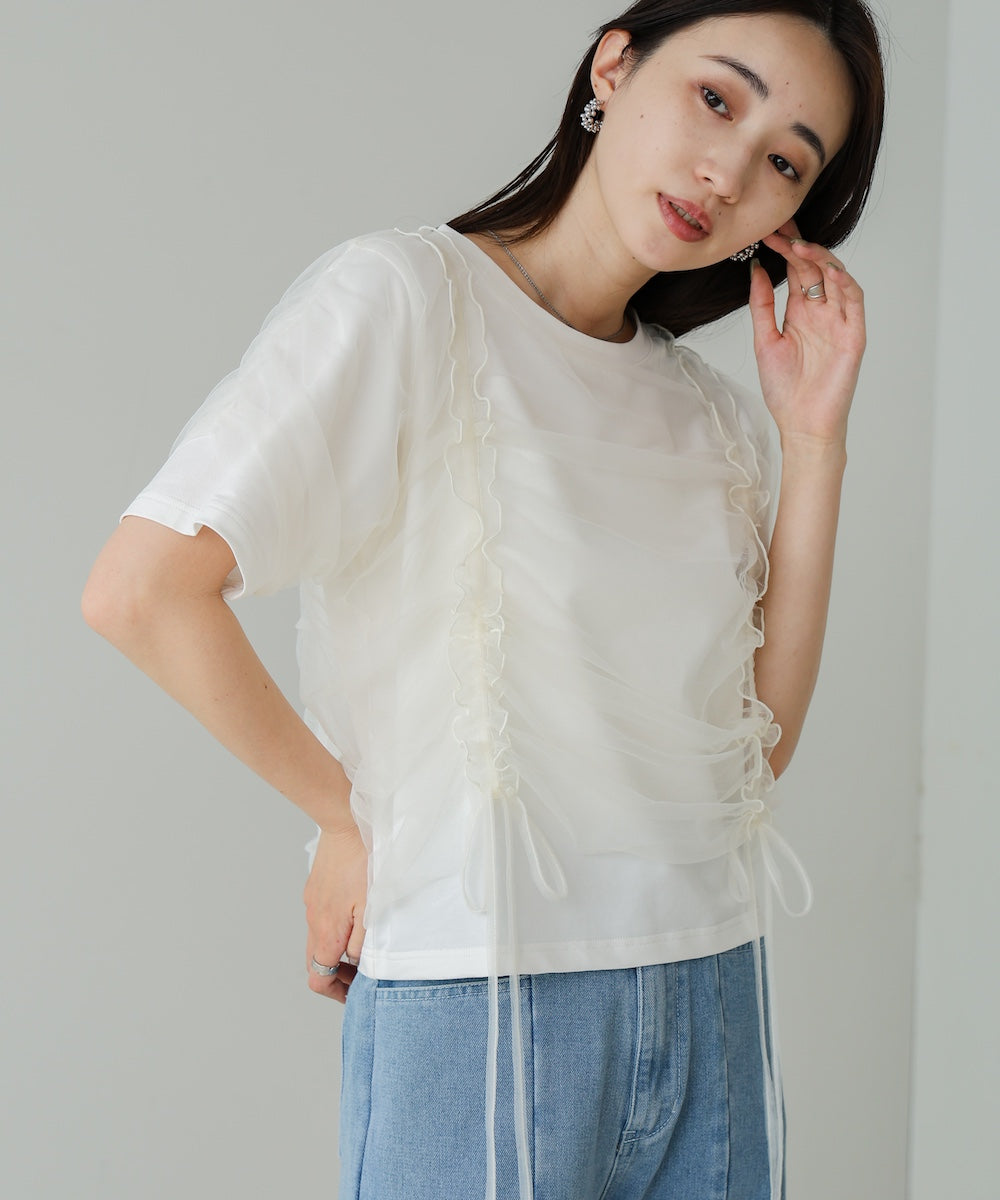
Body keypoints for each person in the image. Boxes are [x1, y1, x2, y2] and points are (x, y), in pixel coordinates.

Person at [82, 1, 886, 1197]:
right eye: (716, 98)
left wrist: (811, 442)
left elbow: (751, 761)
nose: (727, 171)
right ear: (614, 66)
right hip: (480, 994)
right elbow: (143, 589)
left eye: (784, 162)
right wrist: (347, 820)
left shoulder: (707, 416)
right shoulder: (408, 299)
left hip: (714, 988)